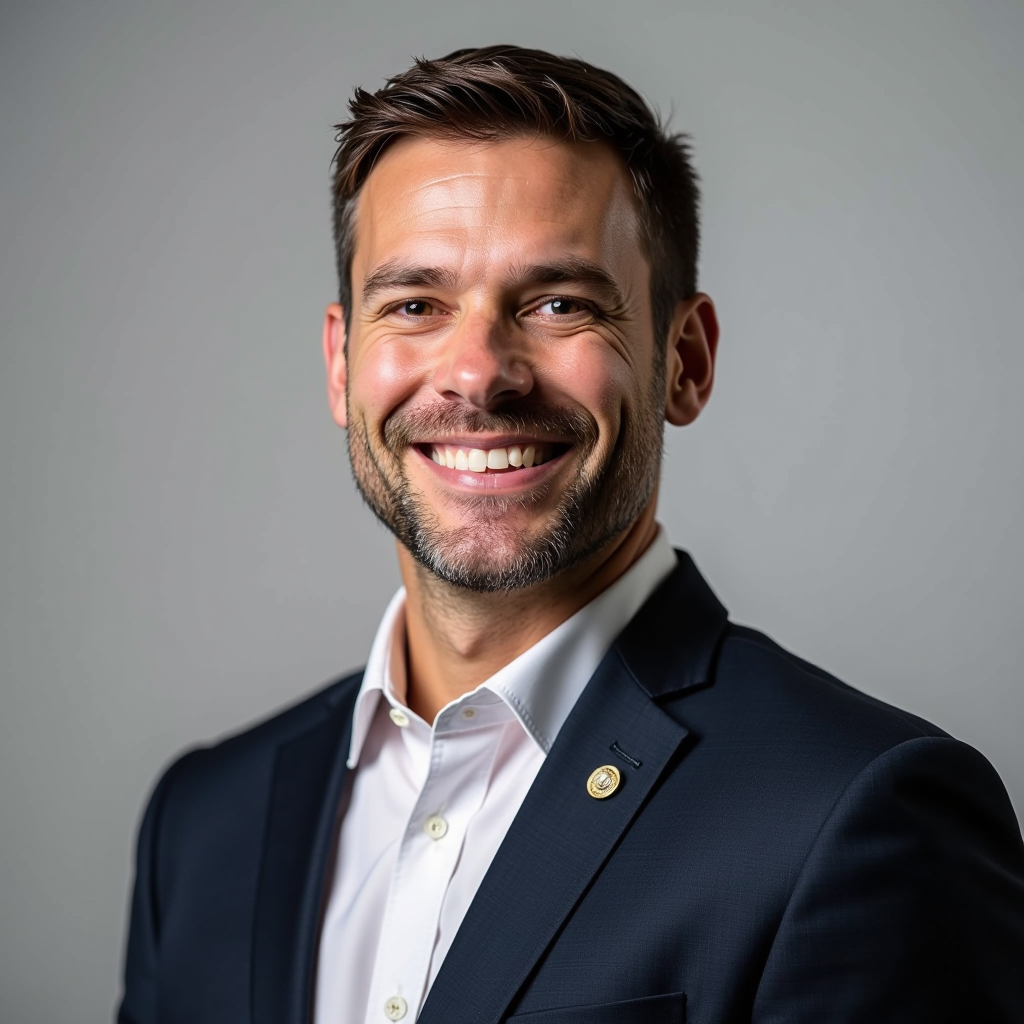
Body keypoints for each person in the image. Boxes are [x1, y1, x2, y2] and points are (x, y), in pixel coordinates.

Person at [118, 45, 1024, 1024]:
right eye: (415, 304)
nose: (477, 372)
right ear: (343, 362)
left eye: (557, 303)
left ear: (684, 358)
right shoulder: (203, 821)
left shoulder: (856, 810)